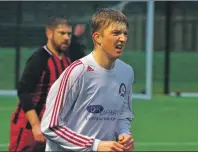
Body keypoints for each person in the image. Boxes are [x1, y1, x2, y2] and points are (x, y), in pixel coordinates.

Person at [41, 8, 134, 152]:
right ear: (98, 38)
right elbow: (51, 126)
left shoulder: (126, 72)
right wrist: (94, 145)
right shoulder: (78, 71)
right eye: (116, 33)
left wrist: (124, 133)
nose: (122, 38)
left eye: (125, 33)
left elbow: (123, 114)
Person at [8, 16, 86, 152]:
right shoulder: (39, 59)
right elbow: (24, 92)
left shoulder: (69, 60)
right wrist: (35, 125)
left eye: (68, 34)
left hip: (53, 128)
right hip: (28, 127)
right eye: (61, 33)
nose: (66, 37)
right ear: (49, 33)